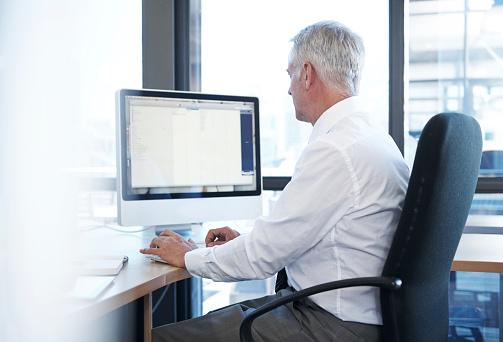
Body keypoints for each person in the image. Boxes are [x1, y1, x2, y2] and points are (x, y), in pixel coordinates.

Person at [140, 20, 410, 342]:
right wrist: (247, 242)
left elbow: (263, 257)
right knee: (211, 321)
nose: (289, 88)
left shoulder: (336, 149)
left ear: (307, 74)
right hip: (351, 314)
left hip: (330, 324)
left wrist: (187, 255)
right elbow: (313, 237)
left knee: (156, 338)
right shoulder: (370, 136)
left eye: (290, 75)